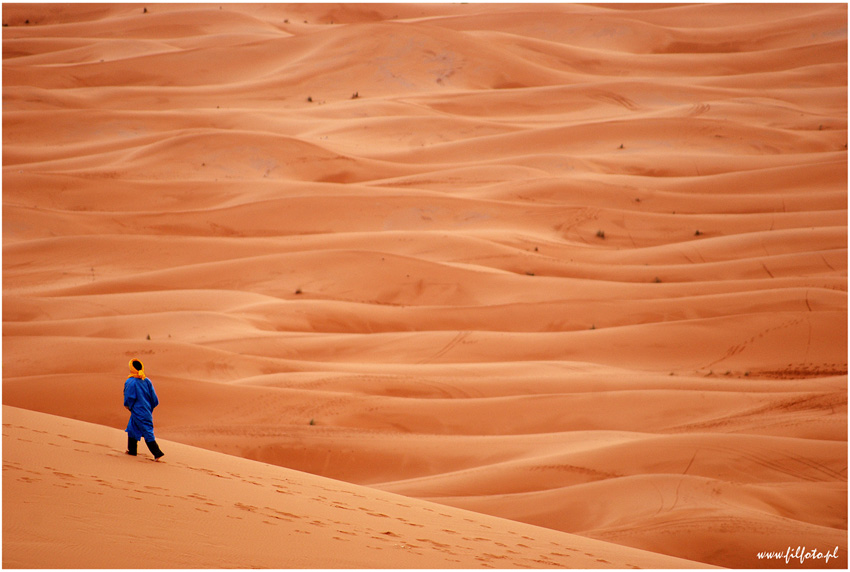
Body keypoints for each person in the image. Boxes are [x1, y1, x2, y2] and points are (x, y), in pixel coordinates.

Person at [124, 358, 164, 461]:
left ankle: (157, 453)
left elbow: (129, 397)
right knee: (132, 428)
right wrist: (148, 408)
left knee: (147, 431)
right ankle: (132, 451)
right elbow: (154, 399)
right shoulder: (146, 380)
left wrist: (129, 407)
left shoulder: (130, 381)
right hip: (146, 410)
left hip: (138, 411)